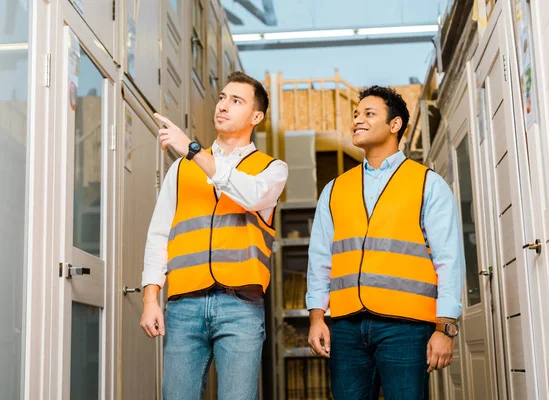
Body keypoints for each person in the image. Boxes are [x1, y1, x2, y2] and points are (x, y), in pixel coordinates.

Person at [306, 86, 465, 399]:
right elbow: (320, 258)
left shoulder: (427, 184)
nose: (357, 121)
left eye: (369, 114)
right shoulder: (335, 189)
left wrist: (445, 327)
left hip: (406, 328)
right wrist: (316, 318)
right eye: (355, 114)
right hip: (346, 327)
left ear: (395, 125)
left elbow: (449, 259)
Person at [140, 71, 288, 400]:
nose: (223, 105)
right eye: (222, 97)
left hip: (241, 307)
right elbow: (159, 234)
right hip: (183, 305)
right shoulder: (181, 168)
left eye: (236, 101)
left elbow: (250, 195)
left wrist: (192, 150)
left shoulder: (271, 169)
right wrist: (151, 298)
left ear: (256, 116)